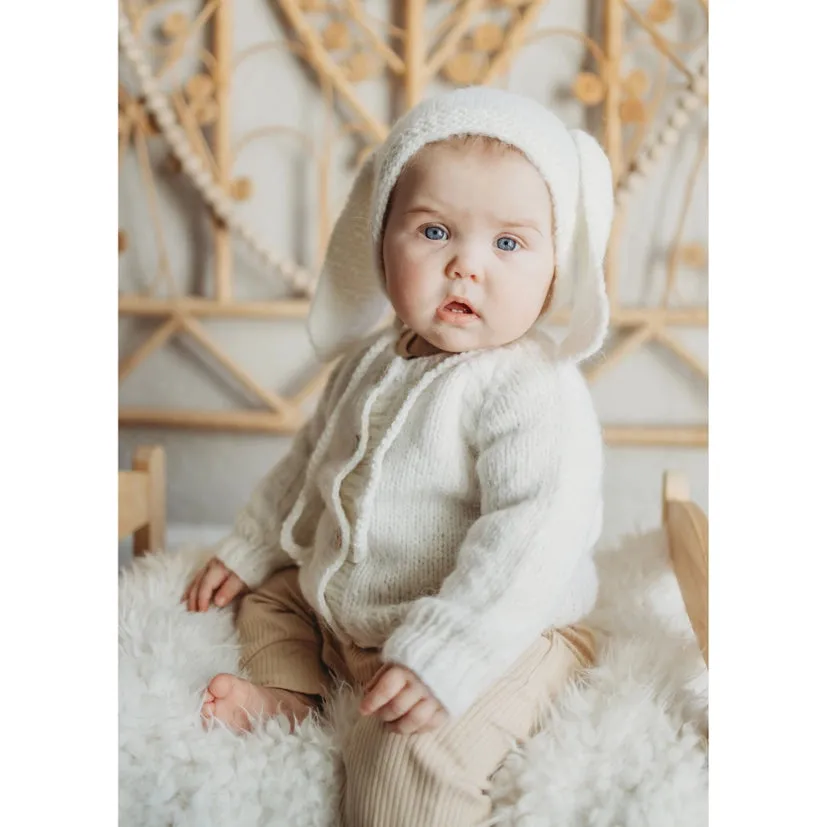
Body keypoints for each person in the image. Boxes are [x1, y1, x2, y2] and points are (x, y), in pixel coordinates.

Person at [184, 85, 614, 827]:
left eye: (508, 243)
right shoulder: (368, 361)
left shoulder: (530, 389)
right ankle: (292, 694)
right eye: (434, 231)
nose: (465, 266)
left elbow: (534, 531)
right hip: (360, 608)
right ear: (379, 240)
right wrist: (256, 537)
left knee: (408, 749)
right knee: (272, 591)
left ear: (555, 268)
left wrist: (450, 647)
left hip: (504, 624)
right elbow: (309, 464)